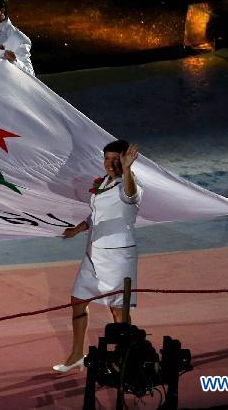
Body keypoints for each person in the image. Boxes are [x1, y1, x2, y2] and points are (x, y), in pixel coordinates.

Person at [53, 140, 142, 372]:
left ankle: (125, 359)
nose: (111, 164)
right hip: (93, 253)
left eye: (117, 159)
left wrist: (129, 169)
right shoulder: (102, 183)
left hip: (118, 257)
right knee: (78, 300)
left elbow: (131, 197)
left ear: (125, 159)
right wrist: (77, 229)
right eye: (107, 159)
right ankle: (75, 356)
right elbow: (96, 216)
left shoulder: (128, 185)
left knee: (118, 310)